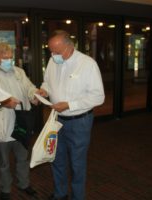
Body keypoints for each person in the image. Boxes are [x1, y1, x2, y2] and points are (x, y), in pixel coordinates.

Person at [38, 30, 105, 200]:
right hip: (56, 120)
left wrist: (69, 105)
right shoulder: (53, 61)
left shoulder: (87, 64)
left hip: (79, 122)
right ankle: (60, 194)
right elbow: (47, 81)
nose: (53, 55)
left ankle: (77, 197)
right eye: (50, 51)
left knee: (77, 163)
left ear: (70, 46)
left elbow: (98, 97)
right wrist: (44, 90)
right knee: (56, 159)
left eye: (57, 51)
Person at [0, 42, 39, 200]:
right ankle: (5, 189)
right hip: (2, 126)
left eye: (11, 57)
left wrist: (34, 95)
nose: (9, 61)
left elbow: (29, 86)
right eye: (5, 58)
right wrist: (5, 102)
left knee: (23, 157)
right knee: (3, 162)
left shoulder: (18, 71)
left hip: (21, 123)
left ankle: (24, 184)